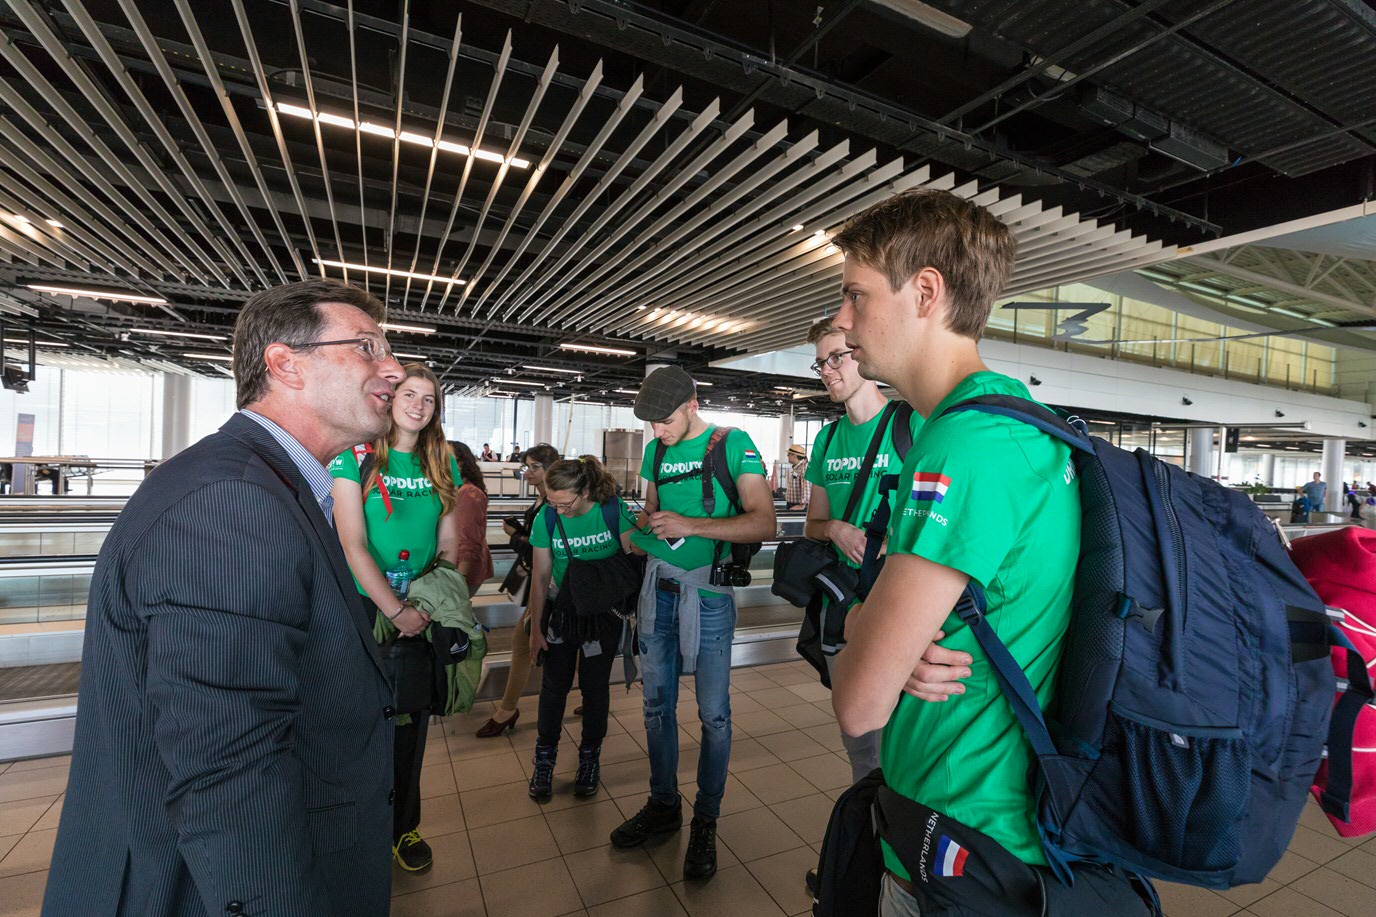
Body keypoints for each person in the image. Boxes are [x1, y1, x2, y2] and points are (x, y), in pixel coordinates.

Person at [828, 189, 1150, 916]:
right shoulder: (1018, 422)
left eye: (855, 294)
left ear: (927, 292)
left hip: (966, 840)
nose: (843, 320)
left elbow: (858, 702)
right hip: (987, 830)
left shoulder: (965, 444)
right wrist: (872, 631)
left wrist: (866, 634)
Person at [43, 279, 403, 916]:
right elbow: (229, 765)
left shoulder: (265, 483)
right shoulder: (230, 501)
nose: (393, 368)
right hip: (199, 888)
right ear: (285, 364)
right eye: (368, 346)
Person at [610, 365, 777, 880]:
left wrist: (691, 525)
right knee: (656, 706)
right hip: (657, 592)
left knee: (713, 714)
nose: (656, 431)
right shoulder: (657, 452)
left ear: (691, 403)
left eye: (663, 420)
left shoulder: (733, 443)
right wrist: (633, 527)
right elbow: (652, 512)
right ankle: (664, 804)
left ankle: (706, 820)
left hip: (707, 598)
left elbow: (764, 521)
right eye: (650, 424)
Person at [330, 363, 461, 873]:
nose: (418, 406)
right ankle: (356, 826)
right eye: (411, 394)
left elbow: (449, 543)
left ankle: (403, 827)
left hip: (421, 614)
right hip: (367, 612)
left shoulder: (442, 462)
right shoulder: (355, 457)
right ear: (390, 396)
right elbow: (352, 543)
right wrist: (394, 609)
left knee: (410, 727)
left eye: (429, 399)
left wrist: (427, 602)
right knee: (357, 725)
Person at [802, 316, 925, 783]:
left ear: (863, 353)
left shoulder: (909, 423)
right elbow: (812, 524)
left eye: (837, 357)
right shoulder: (829, 439)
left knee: (905, 745)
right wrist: (834, 528)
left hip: (898, 605)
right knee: (859, 748)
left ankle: (899, 844)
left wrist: (890, 542)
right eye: (820, 363)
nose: (828, 370)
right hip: (844, 601)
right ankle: (865, 845)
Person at [526, 456, 635, 799]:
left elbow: (635, 557)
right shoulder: (547, 517)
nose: (559, 511)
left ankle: (590, 758)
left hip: (602, 616)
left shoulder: (612, 511)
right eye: (552, 502)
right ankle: (544, 760)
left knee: (595, 687)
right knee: (554, 688)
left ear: (586, 491)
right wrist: (534, 628)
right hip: (563, 613)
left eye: (565, 503)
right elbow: (541, 576)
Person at [478, 442, 561, 736]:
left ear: (551, 467)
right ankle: (591, 697)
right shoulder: (542, 500)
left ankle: (507, 709)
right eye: (526, 466)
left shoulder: (556, 501)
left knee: (521, 643)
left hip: (554, 586)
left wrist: (516, 538)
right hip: (545, 585)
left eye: (534, 467)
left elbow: (548, 548)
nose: (527, 472)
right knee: (555, 644)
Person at [784, 443, 809, 510]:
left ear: (794, 456)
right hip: (792, 504)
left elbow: (806, 486)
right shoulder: (797, 468)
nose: (787, 456)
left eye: (788, 454)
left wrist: (803, 505)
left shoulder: (804, 468)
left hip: (797, 506)